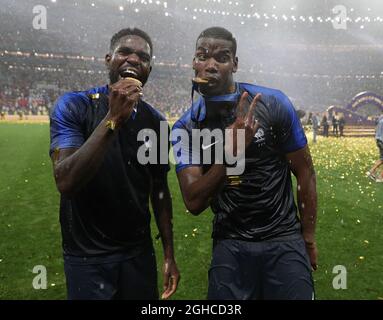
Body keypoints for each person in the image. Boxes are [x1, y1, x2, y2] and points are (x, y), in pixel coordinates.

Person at [172, 27, 317, 300]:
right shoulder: (186, 127)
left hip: (283, 238)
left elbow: (305, 172)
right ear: (194, 63)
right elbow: (193, 202)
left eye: (222, 58)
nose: (211, 65)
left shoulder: (273, 104)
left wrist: (307, 237)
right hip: (230, 241)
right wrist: (230, 154)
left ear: (235, 64)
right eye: (202, 56)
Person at [49, 28, 180, 300]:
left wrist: (168, 252)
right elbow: (66, 181)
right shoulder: (74, 106)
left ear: (149, 69)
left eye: (142, 57)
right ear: (109, 59)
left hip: (138, 256)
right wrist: (113, 119)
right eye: (124, 52)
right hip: (87, 258)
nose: (133, 59)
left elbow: (159, 189)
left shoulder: (156, 122)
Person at [367, 114, 383, 182]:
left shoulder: (380, 119)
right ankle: (380, 178)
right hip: (382, 140)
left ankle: (371, 172)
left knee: (382, 159)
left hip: (378, 140)